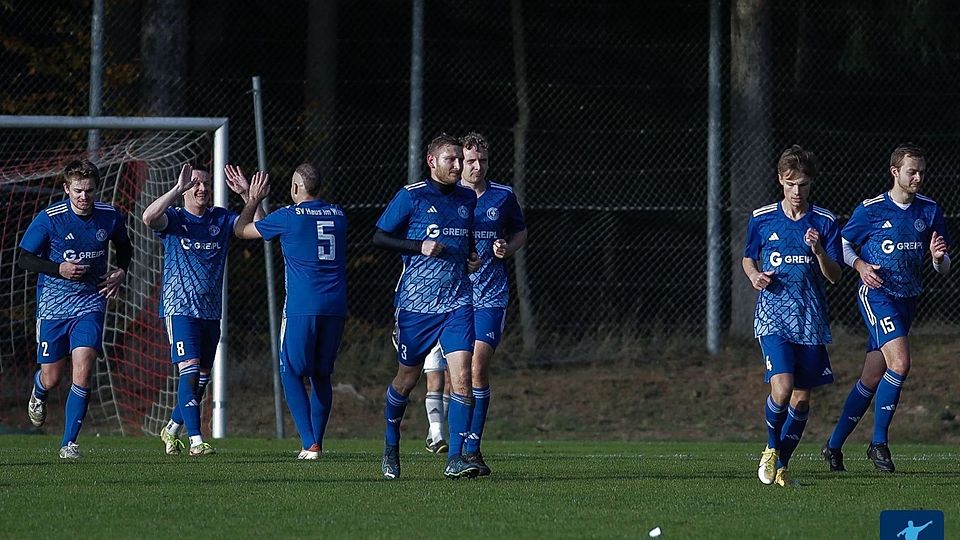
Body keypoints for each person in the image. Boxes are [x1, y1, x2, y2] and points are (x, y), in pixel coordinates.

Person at [822, 144, 950, 473]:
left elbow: (944, 266)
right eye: (912, 171)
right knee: (901, 362)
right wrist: (861, 265)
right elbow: (842, 244)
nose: (918, 176)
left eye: (922, 170)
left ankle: (833, 446)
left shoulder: (929, 210)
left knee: (872, 376)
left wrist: (938, 259)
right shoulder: (872, 209)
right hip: (877, 295)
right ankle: (878, 443)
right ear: (895, 172)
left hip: (908, 298)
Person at [373, 133, 480, 479]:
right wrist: (418, 246)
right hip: (417, 304)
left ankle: (457, 458)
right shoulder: (411, 196)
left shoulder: (467, 197)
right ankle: (391, 444)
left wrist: (471, 255)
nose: (458, 166)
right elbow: (379, 236)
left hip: (458, 300)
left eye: (460, 160)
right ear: (432, 161)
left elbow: (463, 238)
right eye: (451, 159)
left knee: (462, 376)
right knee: (407, 379)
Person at [421, 132, 527, 477]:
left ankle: (471, 448)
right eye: (470, 161)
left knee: (478, 368)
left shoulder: (503, 196)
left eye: (482, 160)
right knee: (456, 377)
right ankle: (456, 449)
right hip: (454, 296)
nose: (476, 167)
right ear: (459, 163)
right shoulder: (449, 199)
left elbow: (520, 232)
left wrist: (506, 249)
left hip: (490, 296)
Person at [143, 163, 263, 456]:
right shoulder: (174, 219)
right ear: (186, 187)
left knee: (201, 381)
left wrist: (252, 197)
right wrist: (176, 189)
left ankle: (171, 429)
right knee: (190, 371)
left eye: (206, 184)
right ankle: (196, 440)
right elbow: (148, 217)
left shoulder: (220, 218)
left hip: (210, 311)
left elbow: (258, 229)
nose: (202, 188)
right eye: (196, 183)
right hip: (179, 307)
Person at [742, 145, 842, 487]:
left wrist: (818, 251)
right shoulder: (762, 218)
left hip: (810, 318)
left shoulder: (825, 222)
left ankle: (782, 464)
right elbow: (748, 258)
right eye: (790, 184)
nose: (796, 191)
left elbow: (835, 275)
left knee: (801, 398)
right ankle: (771, 448)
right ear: (780, 181)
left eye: (802, 184)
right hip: (773, 316)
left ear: (811, 183)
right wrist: (755, 276)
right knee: (782, 389)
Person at [234, 163, 348, 460]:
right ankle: (317, 443)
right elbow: (272, 231)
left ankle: (309, 443)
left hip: (302, 306)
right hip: (336, 306)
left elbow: (242, 230)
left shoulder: (289, 216)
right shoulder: (339, 215)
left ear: (296, 188)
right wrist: (251, 194)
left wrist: (252, 200)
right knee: (322, 374)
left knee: (290, 371)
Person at [19, 159, 132, 459]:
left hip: (90, 301)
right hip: (53, 304)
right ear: (67, 189)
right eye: (78, 191)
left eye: (90, 191)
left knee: (83, 369)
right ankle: (39, 391)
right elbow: (24, 258)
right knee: (53, 376)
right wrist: (59, 268)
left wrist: (121, 271)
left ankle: (69, 443)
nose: (84, 197)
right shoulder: (50, 219)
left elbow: (125, 246)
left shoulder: (109, 217)